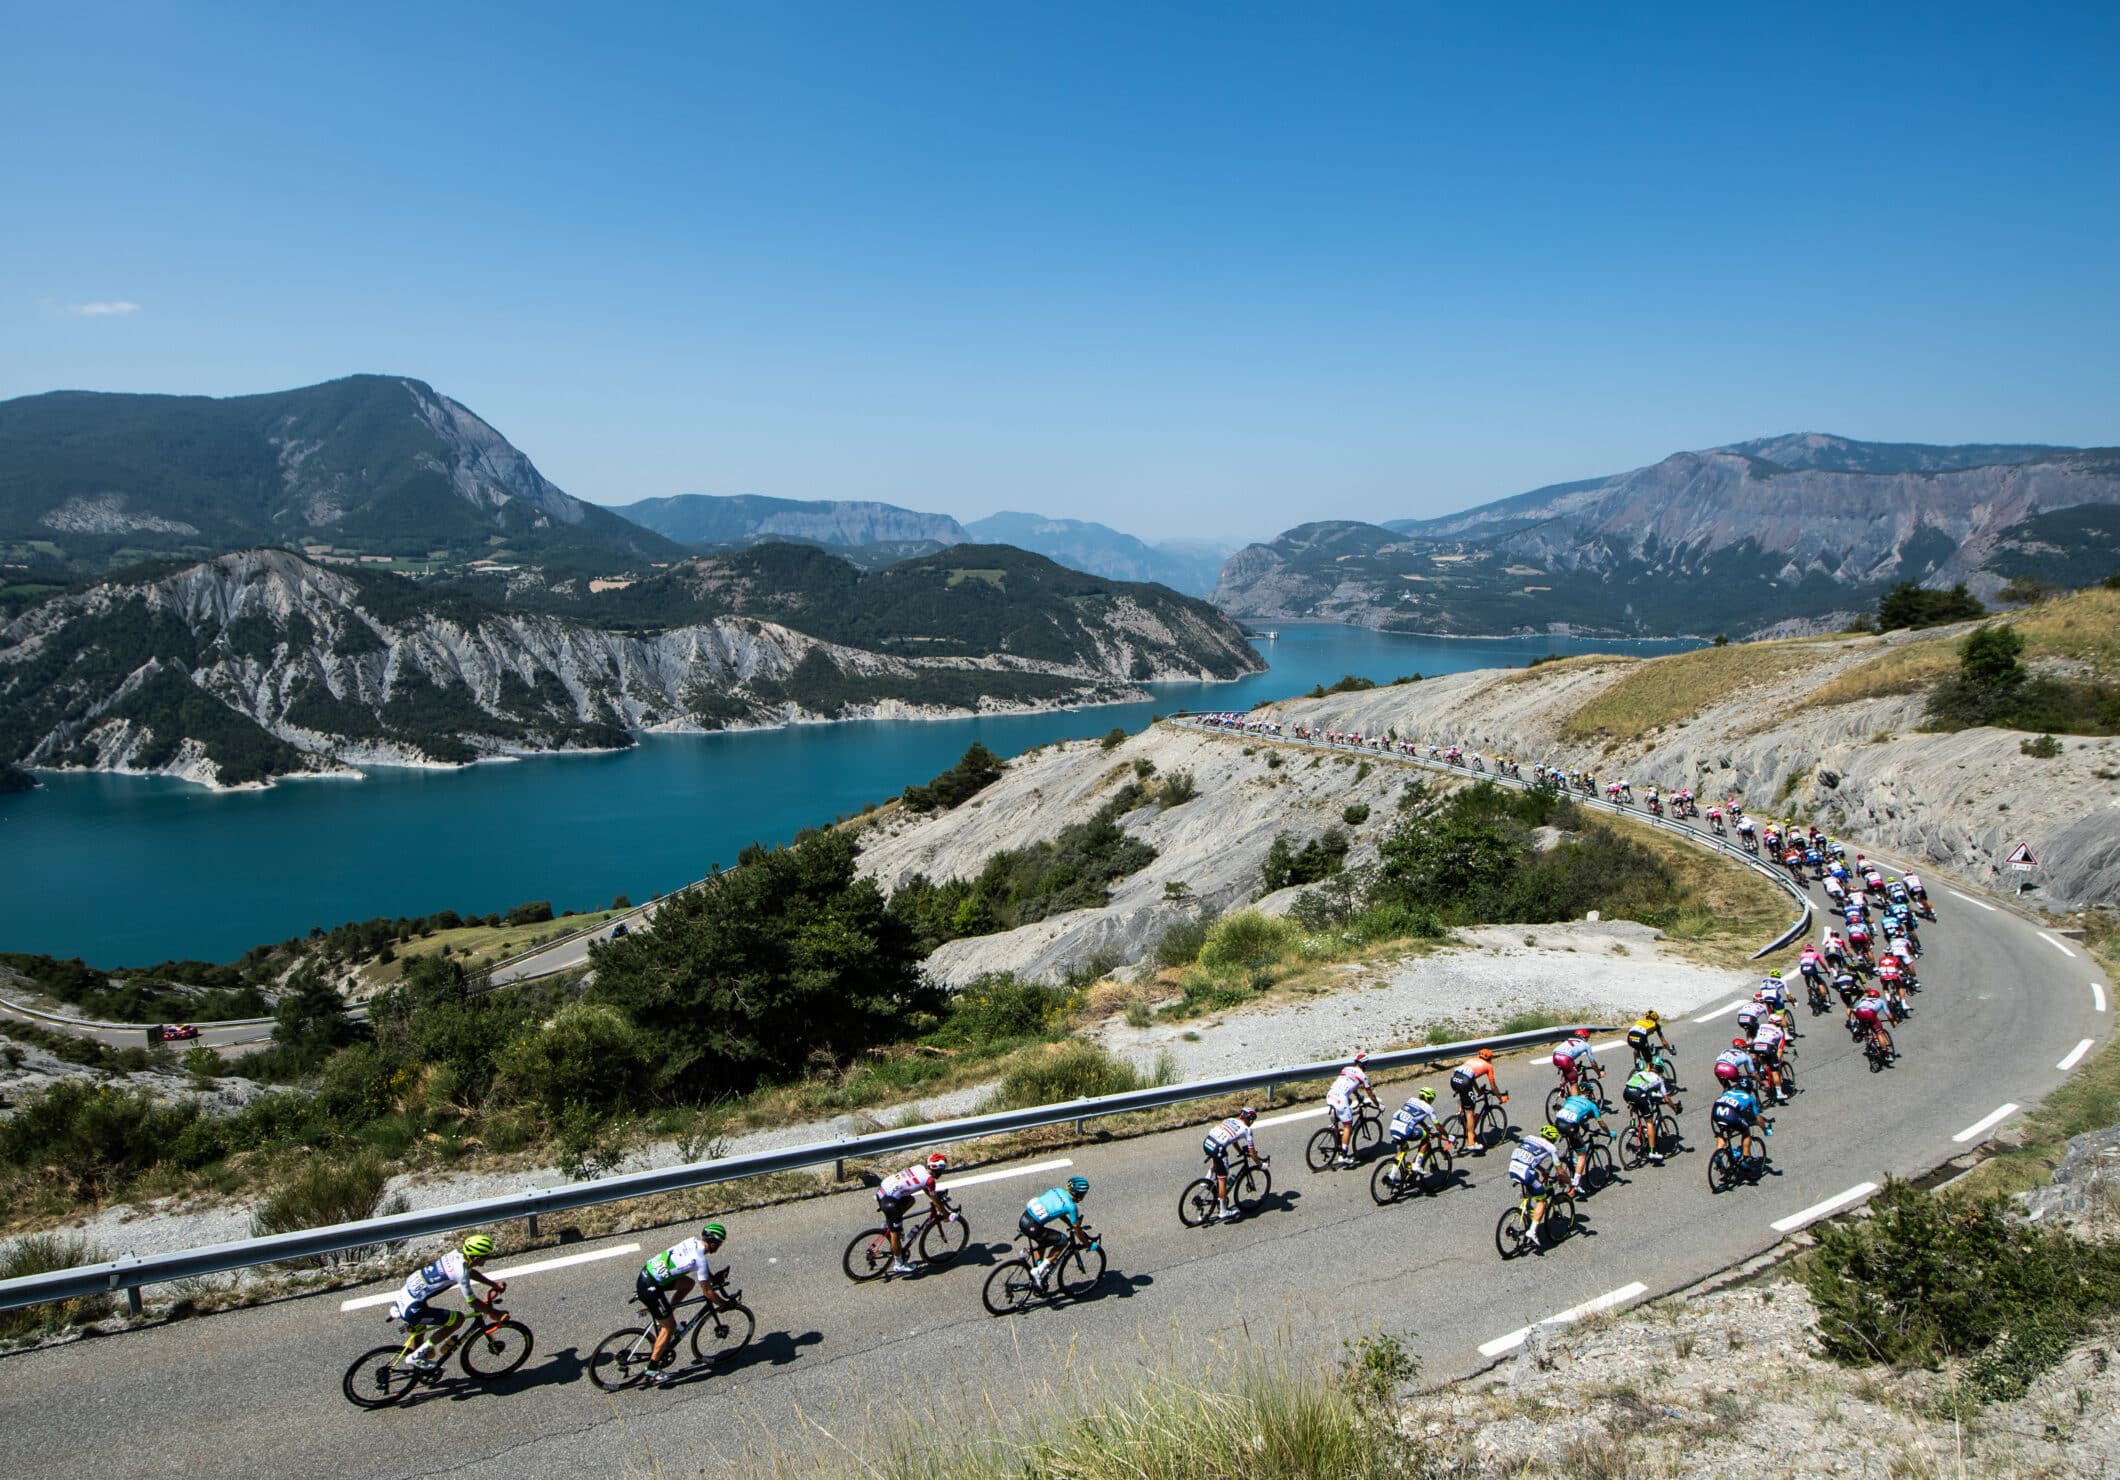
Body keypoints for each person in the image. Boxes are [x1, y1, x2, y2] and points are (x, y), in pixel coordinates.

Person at [392, 1235, 505, 1371]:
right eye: (486, 1256)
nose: (487, 1258)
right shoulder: (460, 1272)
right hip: (412, 1308)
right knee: (458, 1319)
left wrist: (492, 1284)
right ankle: (416, 1356)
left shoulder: (457, 1254)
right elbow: (472, 1302)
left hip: (404, 1296)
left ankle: (419, 1362)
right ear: (476, 1258)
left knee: (421, 1327)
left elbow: (470, 1271)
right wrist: (494, 1313)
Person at [637, 1224, 731, 1385]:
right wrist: (724, 1304)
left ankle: (668, 1309)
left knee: (687, 1284)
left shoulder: (693, 1242)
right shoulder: (700, 1259)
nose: (720, 1246)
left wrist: (713, 1278)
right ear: (714, 1243)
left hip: (648, 1274)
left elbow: (702, 1268)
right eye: (720, 1243)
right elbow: (707, 1292)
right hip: (650, 1287)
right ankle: (652, 1370)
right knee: (669, 1327)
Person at [874, 1152, 952, 1275]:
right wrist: (947, 1215)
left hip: (882, 1191)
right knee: (896, 1232)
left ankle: (891, 1222)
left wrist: (935, 1196)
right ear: (938, 1170)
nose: (942, 1173)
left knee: (910, 1200)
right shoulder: (930, 1180)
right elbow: (936, 1202)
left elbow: (928, 1191)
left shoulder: (919, 1168)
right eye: (942, 1170)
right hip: (889, 1201)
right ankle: (899, 1264)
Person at [1020, 1176, 1091, 1281]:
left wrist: (1070, 1224)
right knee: (1063, 1241)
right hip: (1034, 1227)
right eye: (1084, 1194)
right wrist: (1087, 1244)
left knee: (1043, 1241)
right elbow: (1078, 1233)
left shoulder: (1058, 1190)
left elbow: (1060, 1213)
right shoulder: (1071, 1206)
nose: (1084, 1196)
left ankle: (1038, 1270)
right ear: (1078, 1194)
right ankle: (1039, 1271)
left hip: (1024, 1219)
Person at [1202, 1107, 1267, 1220]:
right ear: (1250, 1120)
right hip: (1218, 1148)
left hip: (1208, 1142)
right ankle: (1223, 1211)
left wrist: (1239, 1151)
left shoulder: (1231, 1119)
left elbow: (1233, 1139)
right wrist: (1260, 1165)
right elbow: (1252, 1152)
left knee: (1220, 1157)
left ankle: (1207, 1179)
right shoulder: (1247, 1130)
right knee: (1223, 1178)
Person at [1507, 1127, 1565, 1244]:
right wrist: (1568, 1181)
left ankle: (1527, 1201)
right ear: (1553, 1138)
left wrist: (1543, 1170)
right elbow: (1560, 1170)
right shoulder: (1551, 1147)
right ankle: (1532, 1232)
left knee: (1535, 1178)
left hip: (1513, 1168)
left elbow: (1530, 1158)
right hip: (1526, 1173)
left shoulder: (1529, 1137)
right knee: (1542, 1200)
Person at [1327, 1053, 1380, 1166]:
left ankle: (1335, 1126)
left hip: (1331, 1094)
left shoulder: (1346, 1068)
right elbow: (1370, 1093)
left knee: (1347, 1104)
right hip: (1340, 1099)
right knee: (1348, 1126)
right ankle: (1343, 1156)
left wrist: (1357, 1095)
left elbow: (1349, 1083)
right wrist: (1378, 1105)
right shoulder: (1363, 1076)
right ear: (1365, 1065)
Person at [1450, 1048, 1506, 1152]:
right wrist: (1500, 1097)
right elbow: (1493, 1086)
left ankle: (1460, 1113)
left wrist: (1478, 1091)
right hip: (1465, 1082)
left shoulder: (1471, 1060)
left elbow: (1472, 1078)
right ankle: (1471, 1142)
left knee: (1466, 1098)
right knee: (1470, 1112)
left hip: (1454, 1079)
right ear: (1490, 1058)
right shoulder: (1488, 1066)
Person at [1384, 1087, 1441, 1186]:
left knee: (1403, 1150)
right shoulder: (1429, 1108)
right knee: (1426, 1137)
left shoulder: (1411, 1099)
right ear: (1429, 1098)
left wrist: (1425, 1126)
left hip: (1393, 1127)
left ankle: (1391, 1176)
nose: (1431, 1102)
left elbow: (1415, 1117)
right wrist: (1448, 1136)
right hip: (1405, 1131)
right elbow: (1438, 1126)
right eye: (1432, 1100)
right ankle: (1416, 1165)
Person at [1552, 1090, 1606, 1193]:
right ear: (1590, 1097)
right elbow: (1601, 1123)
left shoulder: (1572, 1098)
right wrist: (1608, 1132)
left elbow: (1576, 1114)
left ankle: (1570, 1159)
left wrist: (1584, 1125)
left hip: (1558, 1122)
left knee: (1573, 1140)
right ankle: (1576, 1184)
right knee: (1582, 1154)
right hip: (1570, 1127)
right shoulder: (1591, 1105)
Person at [1621, 1064, 1674, 1164]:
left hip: (1627, 1092)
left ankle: (1632, 1126)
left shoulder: (1642, 1072)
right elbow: (1666, 1099)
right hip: (1638, 1094)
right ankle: (1652, 1152)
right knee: (1649, 1122)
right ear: (1659, 1073)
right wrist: (1675, 1108)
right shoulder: (1658, 1079)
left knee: (1633, 1104)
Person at [1710, 1086, 1769, 1161]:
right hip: (1730, 1115)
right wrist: (1765, 1130)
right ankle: (1746, 1158)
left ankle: (1718, 1155)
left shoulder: (1728, 1092)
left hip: (1716, 1113)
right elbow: (1759, 1119)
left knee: (1722, 1132)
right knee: (1746, 1132)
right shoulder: (1749, 1097)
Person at [1751, 1015, 1791, 1104]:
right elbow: (1780, 1051)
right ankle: (1779, 1094)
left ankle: (1762, 1069)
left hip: (1756, 1046)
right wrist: (1778, 1062)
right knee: (1775, 1072)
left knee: (1761, 1054)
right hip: (1767, 1048)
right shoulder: (1780, 1032)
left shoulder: (1762, 1026)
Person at [1551, 1030, 1598, 1097]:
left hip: (1555, 1057)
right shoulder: (1586, 1045)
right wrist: (1599, 1073)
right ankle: (1573, 1104)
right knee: (1574, 1084)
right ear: (1584, 1037)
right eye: (1587, 1038)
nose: (1587, 1040)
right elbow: (1593, 1063)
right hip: (1566, 1059)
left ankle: (1562, 1089)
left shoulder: (1568, 1041)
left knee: (1568, 1071)